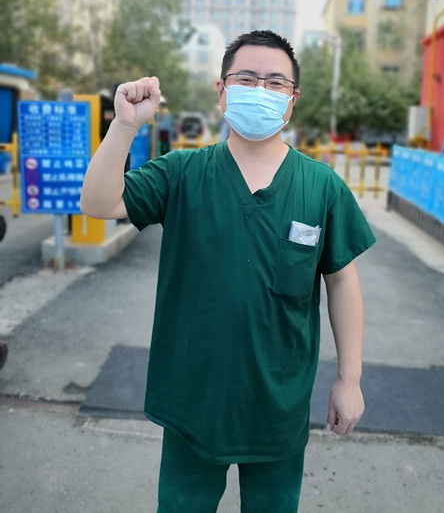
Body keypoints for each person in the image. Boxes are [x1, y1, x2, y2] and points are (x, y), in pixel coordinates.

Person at [80, 30, 376, 512]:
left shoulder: (321, 186)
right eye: (246, 78)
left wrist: (350, 378)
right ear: (222, 91)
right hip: (192, 399)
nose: (261, 89)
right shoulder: (182, 173)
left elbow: (342, 280)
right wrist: (124, 127)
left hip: (277, 403)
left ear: (292, 100)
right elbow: (96, 203)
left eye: (276, 82)